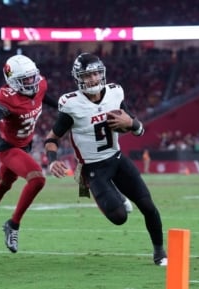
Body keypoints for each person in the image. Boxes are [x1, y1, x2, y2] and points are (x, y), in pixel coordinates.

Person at [43, 53, 167, 266]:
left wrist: (134, 124)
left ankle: (159, 251)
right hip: (92, 169)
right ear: (78, 78)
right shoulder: (71, 104)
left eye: (95, 74)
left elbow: (132, 127)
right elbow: (52, 138)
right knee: (119, 217)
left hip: (116, 159)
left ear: (102, 74)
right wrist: (52, 160)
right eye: (87, 75)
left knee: (147, 205)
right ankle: (108, 193)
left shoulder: (114, 93)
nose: (92, 79)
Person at [0, 54, 57, 253]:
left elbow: (44, 97)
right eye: (26, 79)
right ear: (13, 80)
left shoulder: (40, 84)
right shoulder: (7, 98)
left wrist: (63, 108)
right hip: (9, 148)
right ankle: (13, 224)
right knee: (37, 179)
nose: (32, 81)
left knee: (3, 185)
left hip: (25, 145)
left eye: (33, 76)